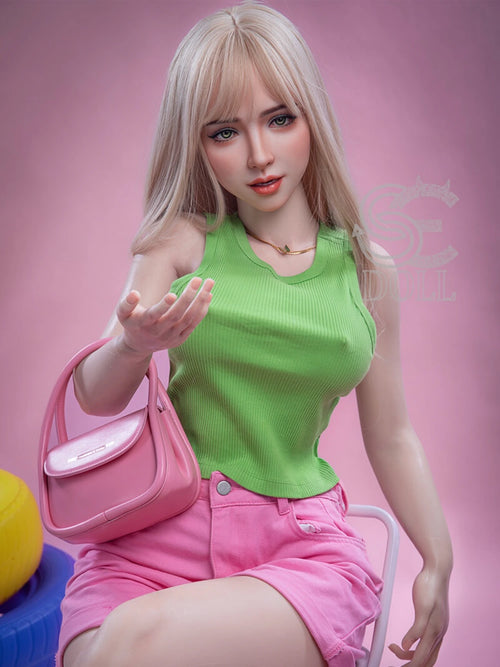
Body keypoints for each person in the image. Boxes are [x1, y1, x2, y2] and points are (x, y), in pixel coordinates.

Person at [59, 3, 452, 666]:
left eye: (280, 119)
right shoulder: (181, 243)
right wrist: (133, 346)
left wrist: (438, 557)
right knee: (109, 648)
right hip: (155, 541)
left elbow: (391, 434)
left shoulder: (366, 271)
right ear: (196, 143)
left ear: (312, 117)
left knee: (130, 645)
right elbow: (95, 396)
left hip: (299, 547)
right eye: (225, 132)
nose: (260, 155)